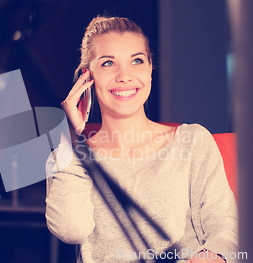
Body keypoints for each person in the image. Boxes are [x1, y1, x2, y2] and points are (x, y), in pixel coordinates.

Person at [45, 16, 238, 263]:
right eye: (108, 63)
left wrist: (212, 256)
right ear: (87, 76)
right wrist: (69, 136)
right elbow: (71, 230)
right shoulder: (68, 155)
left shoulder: (192, 141)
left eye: (136, 61)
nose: (124, 76)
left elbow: (226, 224)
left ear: (149, 69)